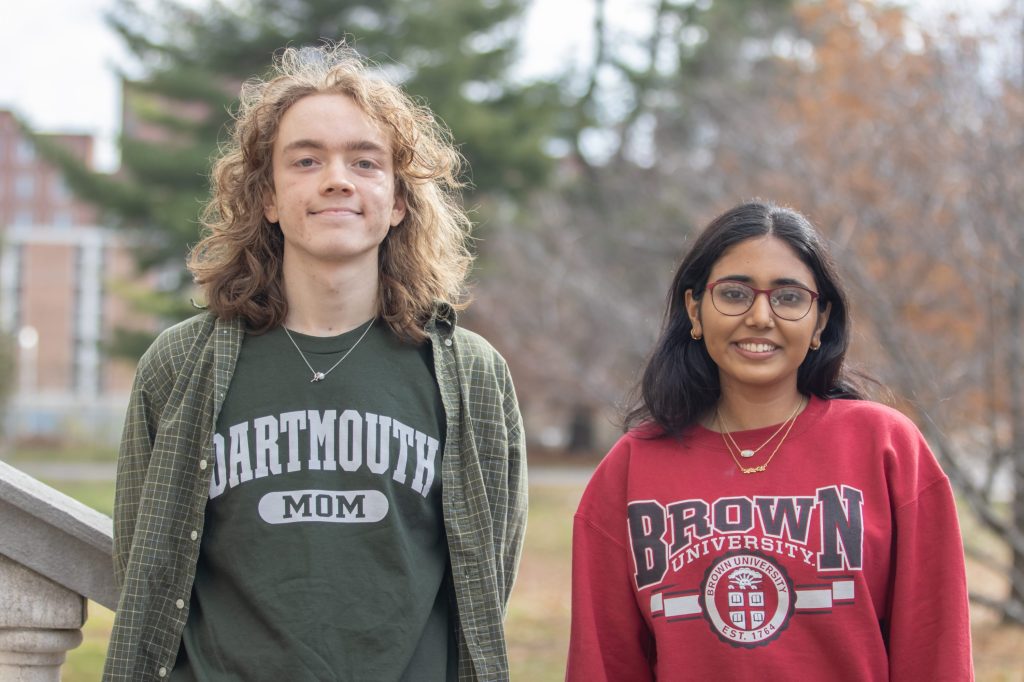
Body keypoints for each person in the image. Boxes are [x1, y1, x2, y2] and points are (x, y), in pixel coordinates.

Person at [103, 43, 527, 682]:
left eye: (365, 161)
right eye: (306, 160)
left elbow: (488, 575)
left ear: (399, 200)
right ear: (267, 197)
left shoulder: (471, 376)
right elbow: (143, 560)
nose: (337, 178)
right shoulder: (181, 366)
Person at [566, 201, 973, 681]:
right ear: (694, 309)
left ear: (820, 319)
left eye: (789, 297)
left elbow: (935, 652)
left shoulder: (886, 447)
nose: (760, 317)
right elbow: (603, 665)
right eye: (735, 293)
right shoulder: (630, 470)